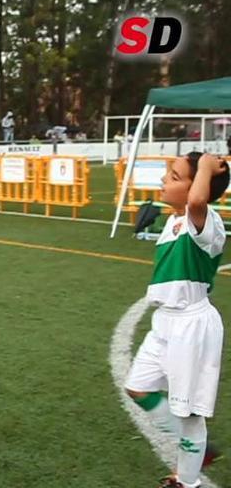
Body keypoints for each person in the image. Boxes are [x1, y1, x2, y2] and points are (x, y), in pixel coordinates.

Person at [123, 151, 229, 488]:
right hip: (165, 323)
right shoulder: (174, 221)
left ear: (196, 187)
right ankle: (200, 450)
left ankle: (188, 480)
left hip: (192, 325)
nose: (163, 180)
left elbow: (199, 199)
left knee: (190, 413)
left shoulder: (206, 222)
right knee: (137, 386)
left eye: (174, 176)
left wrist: (209, 166)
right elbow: (193, 198)